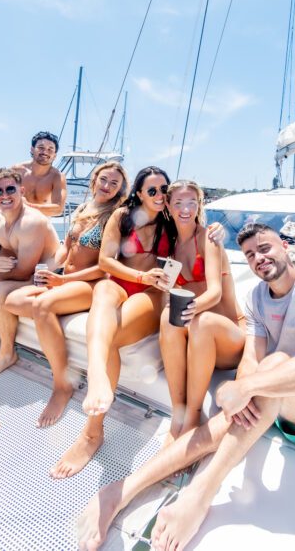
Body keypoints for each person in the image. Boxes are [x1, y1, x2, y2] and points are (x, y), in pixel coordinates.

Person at [77, 222, 295, 551]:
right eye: (250, 255)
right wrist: (242, 391)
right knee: (240, 400)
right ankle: (120, 490)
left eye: (265, 248)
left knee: (274, 365)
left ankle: (200, 493)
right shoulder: (258, 297)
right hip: (270, 395)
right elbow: (251, 357)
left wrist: (248, 386)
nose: (258, 258)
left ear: (283, 245)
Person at [49, 166, 173, 479]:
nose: (159, 196)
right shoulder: (121, 216)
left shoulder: (171, 221)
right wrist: (139, 274)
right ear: (140, 193)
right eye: (152, 190)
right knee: (103, 289)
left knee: (113, 335)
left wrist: (151, 279)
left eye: (164, 190)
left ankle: (92, 433)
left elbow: (187, 251)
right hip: (122, 280)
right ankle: (97, 376)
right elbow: (106, 262)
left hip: (151, 291)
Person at [4, 161, 129, 427]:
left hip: (90, 283)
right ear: (94, 180)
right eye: (103, 179)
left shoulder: (115, 216)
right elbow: (66, 248)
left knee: (43, 306)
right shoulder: (84, 209)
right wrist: (48, 270)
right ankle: (56, 314)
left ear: (120, 190)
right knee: (12, 300)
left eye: (114, 183)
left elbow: (105, 265)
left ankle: (62, 384)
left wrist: (63, 280)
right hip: (64, 279)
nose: (106, 186)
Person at [159, 180, 245, 444]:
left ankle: (193, 418)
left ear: (199, 205)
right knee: (166, 316)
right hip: (199, 337)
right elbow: (167, 294)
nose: (185, 209)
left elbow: (215, 293)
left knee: (203, 321)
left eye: (192, 203)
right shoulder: (170, 249)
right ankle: (179, 413)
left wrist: (191, 309)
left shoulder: (209, 239)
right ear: (168, 206)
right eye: (178, 203)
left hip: (228, 337)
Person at [0, 167, 60, 382]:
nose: (4, 195)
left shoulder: (31, 222)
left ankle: (7, 353)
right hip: (22, 271)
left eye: (10, 189)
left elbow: (24, 272)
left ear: (22, 191)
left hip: (45, 274)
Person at [13, 131, 67, 217]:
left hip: (39, 226)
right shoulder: (17, 171)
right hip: (14, 224)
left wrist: (27, 206)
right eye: (41, 147)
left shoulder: (58, 177)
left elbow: (58, 209)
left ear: (55, 155)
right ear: (32, 149)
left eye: (50, 149)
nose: (45, 152)